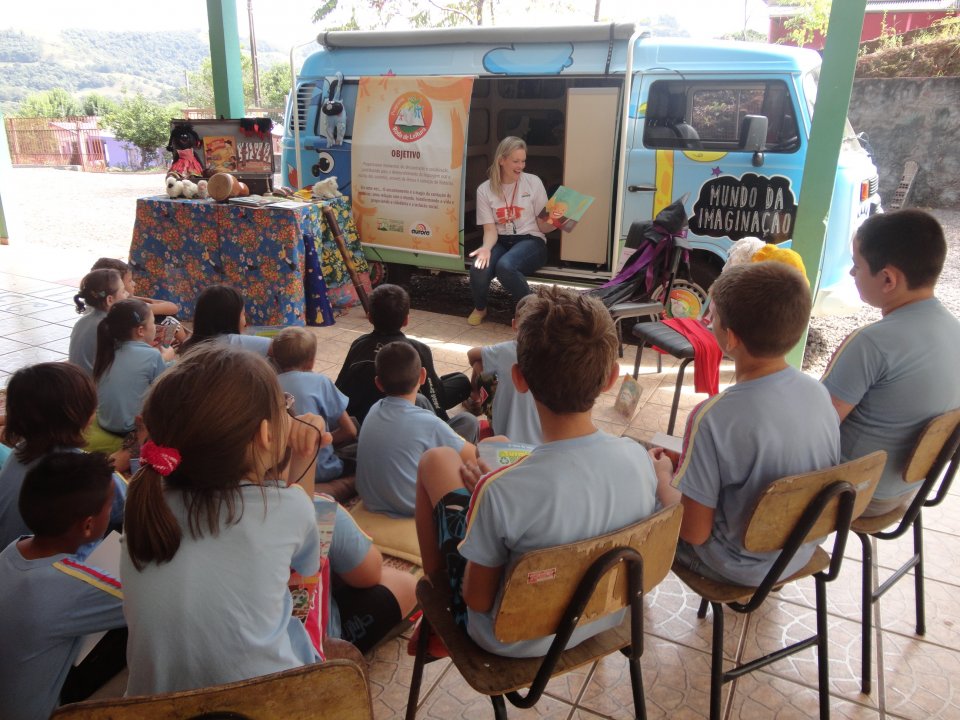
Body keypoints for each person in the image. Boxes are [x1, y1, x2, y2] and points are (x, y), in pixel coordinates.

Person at [415, 285, 658, 657]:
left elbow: (478, 600)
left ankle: (435, 592)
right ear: (611, 379)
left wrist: (482, 498)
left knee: (434, 461)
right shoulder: (639, 459)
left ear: (519, 378)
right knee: (480, 460)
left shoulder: (500, 492)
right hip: (605, 617)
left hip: (510, 639)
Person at [121, 343, 331, 694]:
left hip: (150, 706)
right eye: (284, 407)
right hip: (268, 702)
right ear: (265, 435)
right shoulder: (289, 507)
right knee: (314, 589)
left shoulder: (143, 498)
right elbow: (304, 572)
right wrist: (304, 454)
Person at [651, 262, 840, 586]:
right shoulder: (818, 393)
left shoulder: (713, 416)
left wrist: (663, 478)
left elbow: (694, 533)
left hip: (736, 565)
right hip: (800, 549)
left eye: (714, 318)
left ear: (732, 339)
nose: (708, 322)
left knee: (644, 496)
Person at [821, 210, 960, 517]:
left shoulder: (872, 343)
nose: (851, 275)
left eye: (856, 266)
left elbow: (816, 427)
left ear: (887, 279)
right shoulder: (955, 330)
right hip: (910, 488)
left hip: (851, 495)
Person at [0, 452, 126, 720]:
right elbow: (143, 601)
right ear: (89, 525)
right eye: (110, 505)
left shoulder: (13, 551)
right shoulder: (69, 586)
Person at [0, 363, 127, 553]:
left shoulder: (17, 454)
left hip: (14, 558)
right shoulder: (87, 474)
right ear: (81, 416)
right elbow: (131, 506)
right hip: (64, 569)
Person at [335, 283, 477, 441]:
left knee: (456, 380)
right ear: (406, 320)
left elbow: (339, 391)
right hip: (413, 423)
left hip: (363, 421)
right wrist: (442, 421)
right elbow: (435, 397)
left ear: (369, 317)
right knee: (462, 389)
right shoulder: (418, 350)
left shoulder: (359, 345)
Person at [356, 342, 477, 519]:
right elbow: (476, 458)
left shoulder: (375, 408)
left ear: (379, 384)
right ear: (422, 376)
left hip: (373, 500)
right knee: (469, 421)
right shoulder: (428, 425)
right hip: (413, 509)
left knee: (420, 400)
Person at [467, 136, 556, 326]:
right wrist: (485, 248)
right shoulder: (485, 189)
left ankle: (533, 311)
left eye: (523, 161)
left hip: (531, 240)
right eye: (516, 161)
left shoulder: (533, 182)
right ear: (502, 160)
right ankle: (480, 308)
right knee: (478, 268)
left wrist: (558, 220)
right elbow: (490, 230)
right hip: (500, 240)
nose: (521, 165)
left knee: (505, 266)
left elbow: (543, 226)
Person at [313, 494, 417, 653]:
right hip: (313, 656)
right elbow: (370, 574)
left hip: (266, 660)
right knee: (406, 584)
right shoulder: (318, 508)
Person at [271, 327, 358, 503]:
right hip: (324, 470)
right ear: (310, 363)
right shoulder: (321, 382)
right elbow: (349, 431)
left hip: (282, 471)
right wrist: (318, 440)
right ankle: (342, 487)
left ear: (275, 359)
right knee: (357, 429)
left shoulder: (268, 385)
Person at [89, 299, 175, 467]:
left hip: (105, 422)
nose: (156, 328)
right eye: (153, 323)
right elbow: (164, 392)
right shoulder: (152, 355)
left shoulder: (107, 350)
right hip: (130, 430)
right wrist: (169, 358)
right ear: (141, 330)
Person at [466, 295, 543, 445]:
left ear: (514, 324)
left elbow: (472, 354)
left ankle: (474, 398)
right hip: (545, 442)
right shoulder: (560, 355)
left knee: (480, 364)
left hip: (503, 438)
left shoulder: (506, 349)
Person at [178, 284, 271, 356]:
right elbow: (280, 345)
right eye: (242, 315)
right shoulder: (232, 341)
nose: (245, 322)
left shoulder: (190, 344)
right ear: (230, 320)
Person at [68, 269, 129, 375]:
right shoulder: (111, 326)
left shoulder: (82, 321)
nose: (127, 294)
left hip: (77, 381)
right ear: (110, 300)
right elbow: (128, 361)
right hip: (95, 387)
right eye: (123, 291)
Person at [90, 257, 180, 320]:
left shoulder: (96, 304)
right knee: (167, 320)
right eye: (130, 281)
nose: (134, 283)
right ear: (118, 285)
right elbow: (173, 308)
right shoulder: (127, 309)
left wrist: (133, 297)